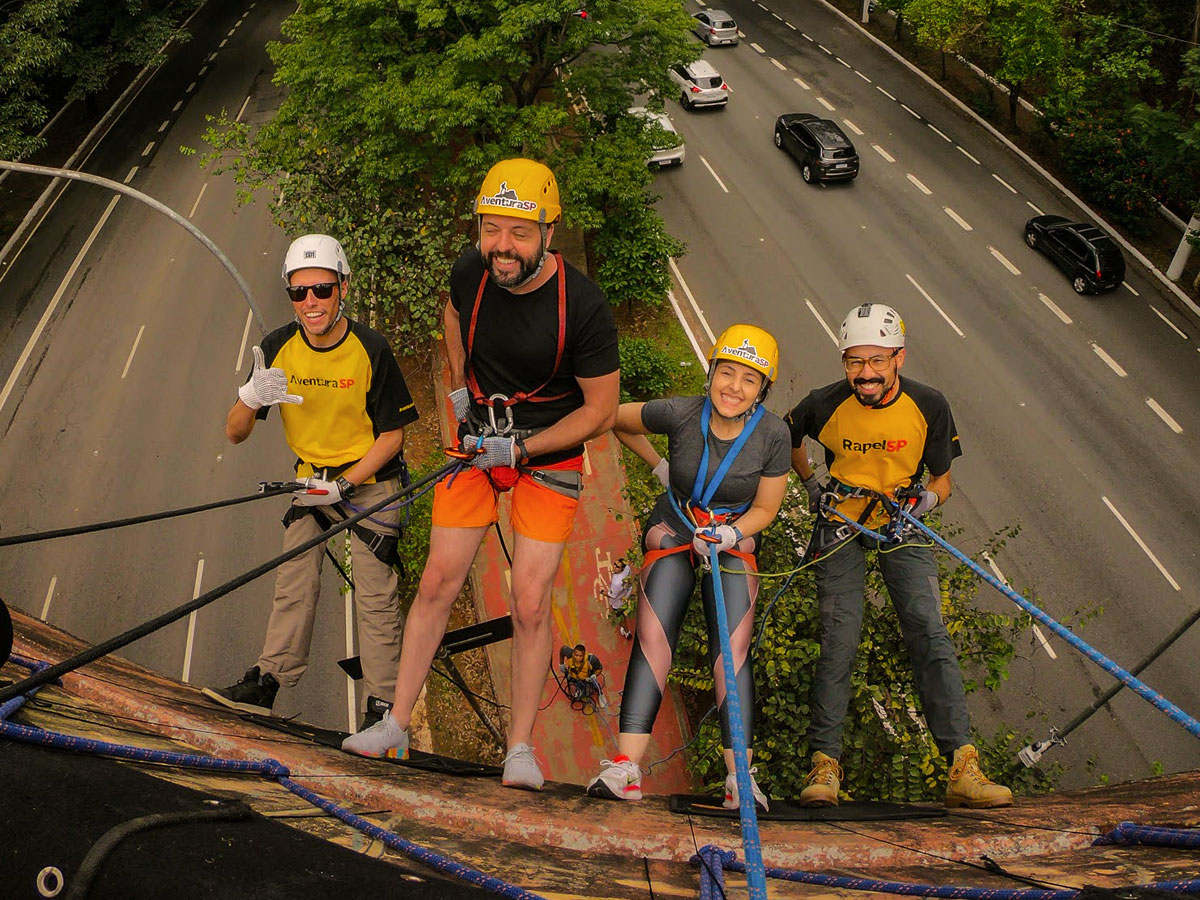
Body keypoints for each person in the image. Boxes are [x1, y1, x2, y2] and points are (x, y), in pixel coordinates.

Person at [343, 159, 620, 790]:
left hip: (545, 454)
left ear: (548, 231)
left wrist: (523, 449)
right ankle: (397, 721)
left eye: (519, 232)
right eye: (491, 228)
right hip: (477, 441)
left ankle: (520, 748)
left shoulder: (583, 307)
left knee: (530, 600)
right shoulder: (470, 272)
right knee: (438, 580)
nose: (502, 245)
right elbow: (452, 316)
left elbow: (601, 411)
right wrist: (461, 392)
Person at [786, 303, 1011, 809]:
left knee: (928, 630)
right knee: (839, 636)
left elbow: (943, 480)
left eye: (876, 361)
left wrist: (926, 500)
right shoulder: (824, 403)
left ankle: (962, 765)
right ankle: (825, 764)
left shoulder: (928, 405)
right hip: (841, 521)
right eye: (854, 361)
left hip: (899, 520)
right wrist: (811, 484)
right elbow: (787, 436)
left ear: (899, 358)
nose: (865, 373)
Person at [202, 235, 419, 730]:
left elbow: (393, 436)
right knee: (293, 579)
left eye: (322, 289)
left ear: (343, 288)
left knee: (375, 595)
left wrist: (346, 485)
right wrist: (251, 397)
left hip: (370, 479)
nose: (311, 302)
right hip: (311, 478)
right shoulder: (278, 349)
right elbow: (234, 433)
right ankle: (268, 680)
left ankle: (382, 708)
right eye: (299, 293)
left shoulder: (370, 348)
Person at [586, 325, 790, 811]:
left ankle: (739, 777)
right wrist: (659, 465)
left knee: (732, 651)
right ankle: (626, 766)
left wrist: (732, 534)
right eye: (726, 373)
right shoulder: (680, 413)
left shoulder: (772, 435)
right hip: (677, 524)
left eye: (749, 379)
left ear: (762, 390)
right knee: (654, 635)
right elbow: (613, 417)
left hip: (733, 535)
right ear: (711, 372)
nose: (734, 387)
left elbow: (767, 507)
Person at [560, 644, 605, 708]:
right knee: (574, 682)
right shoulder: (569, 654)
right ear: (573, 653)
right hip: (575, 677)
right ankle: (579, 689)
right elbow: (562, 649)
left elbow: (599, 668)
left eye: (580, 656)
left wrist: (594, 675)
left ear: (584, 655)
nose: (578, 658)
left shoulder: (592, 659)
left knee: (595, 684)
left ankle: (601, 694)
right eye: (576, 655)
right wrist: (561, 664)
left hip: (587, 678)